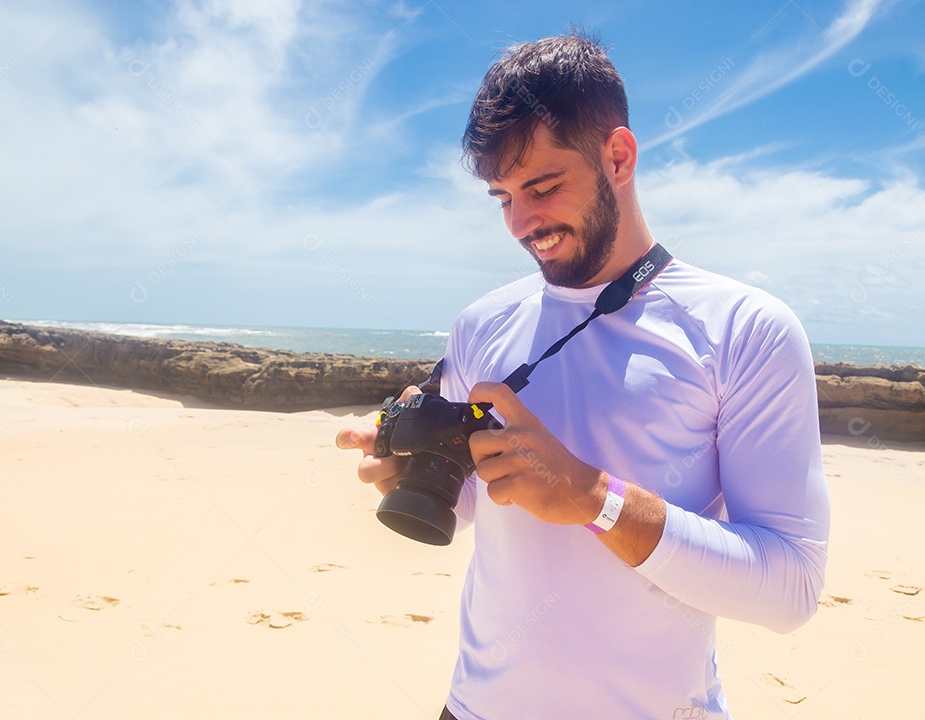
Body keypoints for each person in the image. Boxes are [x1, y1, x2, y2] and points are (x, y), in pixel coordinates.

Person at [336, 31, 829, 720]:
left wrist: (593, 495)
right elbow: (478, 506)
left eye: (542, 188)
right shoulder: (479, 324)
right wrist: (411, 470)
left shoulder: (747, 329)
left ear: (618, 157)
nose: (521, 223)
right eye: (502, 197)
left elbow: (790, 589)